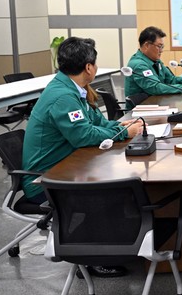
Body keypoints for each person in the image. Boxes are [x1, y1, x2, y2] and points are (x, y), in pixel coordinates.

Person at [22, 37, 144, 276]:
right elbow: (83, 136)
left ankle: (120, 245)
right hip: (44, 180)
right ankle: (91, 259)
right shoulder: (63, 96)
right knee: (109, 192)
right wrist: (122, 133)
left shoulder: (72, 89)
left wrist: (118, 126)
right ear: (88, 67)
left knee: (116, 183)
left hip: (66, 168)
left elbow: (96, 121)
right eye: (95, 64)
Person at [124, 26, 182, 99]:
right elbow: (155, 88)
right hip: (141, 108)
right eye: (159, 46)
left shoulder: (155, 61)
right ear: (146, 45)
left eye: (162, 47)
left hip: (156, 102)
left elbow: (171, 79)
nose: (161, 50)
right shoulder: (138, 65)